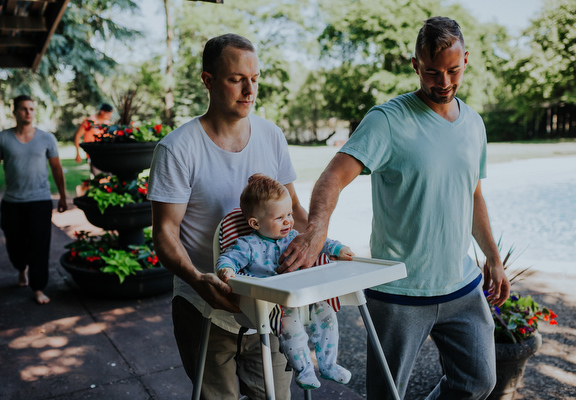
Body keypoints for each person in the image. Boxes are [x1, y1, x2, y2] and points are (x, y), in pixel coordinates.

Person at [278, 17, 511, 400]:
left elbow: (473, 195)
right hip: (399, 290)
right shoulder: (387, 121)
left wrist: (493, 257)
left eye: (453, 70)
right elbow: (333, 177)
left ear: (466, 59)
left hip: (462, 287)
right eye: (432, 72)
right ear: (415, 65)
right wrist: (318, 229)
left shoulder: (474, 124)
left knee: (478, 382)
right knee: (387, 395)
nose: (444, 82)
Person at [147, 33, 308, 399]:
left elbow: (294, 209)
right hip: (203, 306)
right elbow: (165, 233)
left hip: (268, 307)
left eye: (255, 79)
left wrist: (314, 247)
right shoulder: (176, 149)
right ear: (208, 80)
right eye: (237, 79)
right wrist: (198, 278)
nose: (249, 90)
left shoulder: (271, 135)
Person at [216, 173, 354, 390]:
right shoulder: (248, 245)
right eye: (280, 217)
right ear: (255, 222)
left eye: (289, 214)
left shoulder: (293, 237)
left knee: (327, 315)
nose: (288, 221)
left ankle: (328, 364)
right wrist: (226, 269)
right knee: (291, 328)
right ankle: (305, 370)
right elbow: (228, 258)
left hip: (304, 294)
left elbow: (320, 243)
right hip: (276, 303)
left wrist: (338, 248)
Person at [0, 95, 68, 305]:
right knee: (15, 244)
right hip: (12, 202)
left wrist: (63, 196)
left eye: (31, 109)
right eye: (23, 109)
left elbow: (56, 168)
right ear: (15, 112)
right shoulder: (2, 138)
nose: (28, 112)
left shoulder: (46, 139)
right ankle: (21, 268)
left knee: (40, 245)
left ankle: (38, 287)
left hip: (39, 200)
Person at [74, 103, 113, 177]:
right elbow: (77, 136)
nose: (110, 117)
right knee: (97, 177)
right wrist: (77, 153)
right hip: (93, 154)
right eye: (108, 114)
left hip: (106, 155)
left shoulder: (107, 123)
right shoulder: (90, 121)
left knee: (109, 178)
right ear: (102, 112)